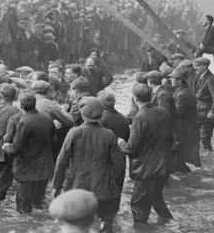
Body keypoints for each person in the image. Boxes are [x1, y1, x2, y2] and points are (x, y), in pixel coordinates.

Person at [54, 97, 123, 233]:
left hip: (78, 188)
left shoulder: (74, 132)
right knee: (106, 223)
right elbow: (119, 166)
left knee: (76, 225)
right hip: (104, 188)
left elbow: (61, 162)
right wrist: (116, 189)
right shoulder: (109, 135)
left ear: (82, 114)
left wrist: (57, 186)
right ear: (101, 114)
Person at [118, 84, 174, 226]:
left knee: (137, 204)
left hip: (146, 170)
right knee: (156, 198)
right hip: (163, 166)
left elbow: (131, 149)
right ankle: (170, 224)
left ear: (135, 99)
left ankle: (141, 228)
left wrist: (121, 143)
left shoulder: (139, 118)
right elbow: (170, 139)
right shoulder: (163, 113)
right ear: (152, 96)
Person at [2, 93, 55, 213]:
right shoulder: (47, 118)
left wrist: (6, 147)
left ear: (21, 106)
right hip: (45, 168)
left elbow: (16, 149)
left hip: (28, 171)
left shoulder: (24, 122)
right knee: (38, 204)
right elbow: (53, 138)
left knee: (23, 209)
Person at [169, 67, 201, 173]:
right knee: (188, 161)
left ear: (180, 80)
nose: (170, 80)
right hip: (189, 131)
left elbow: (177, 113)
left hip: (186, 133)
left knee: (186, 163)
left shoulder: (182, 94)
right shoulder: (183, 91)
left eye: (173, 78)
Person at [192, 57, 214, 152]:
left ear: (205, 66)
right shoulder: (199, 76)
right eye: (194, 65)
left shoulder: (211, 79)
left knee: (205, 138)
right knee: (196, 136)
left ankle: (209, 158)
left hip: (207, 112)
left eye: (197, 66)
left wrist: (212, 112)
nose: (195, 68)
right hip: (199, 110)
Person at [197, 14, 214, 82]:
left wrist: (201, 45)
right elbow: (205, 40)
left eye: (204, 19)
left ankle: (196, 60)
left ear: (209, 21)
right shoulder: (209, 29)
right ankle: (196, 59)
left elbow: (207, 41)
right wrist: (201, 44)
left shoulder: (212, 29)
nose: (202, 21)